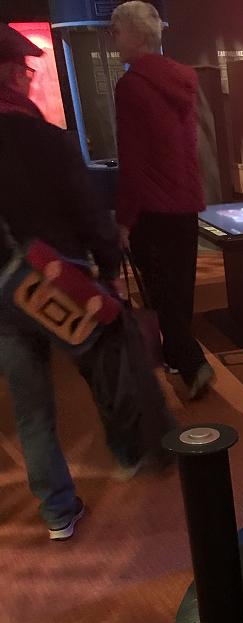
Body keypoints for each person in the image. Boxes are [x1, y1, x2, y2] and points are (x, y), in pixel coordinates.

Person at [0, 24, 122, 539]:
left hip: (4, 293)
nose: (30, 79)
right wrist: (108, 268)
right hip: (61, 282)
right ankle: (136, 453)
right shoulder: (48, 140)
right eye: (27, 70)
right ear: (11, 74)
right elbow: (88, 211)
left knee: (31, 408)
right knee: (108, 371)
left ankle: (57, 512)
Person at [111, 1, 214, 400]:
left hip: (152, 206)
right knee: (180, 286)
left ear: (135, 35)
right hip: (185, 202)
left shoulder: (132, 86)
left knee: (160, 290)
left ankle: (191, 363)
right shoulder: (181, 78)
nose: (114, 39)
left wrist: (124, 220)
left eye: (117, 31)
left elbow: (133, 161)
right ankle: (178, 355)